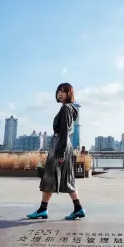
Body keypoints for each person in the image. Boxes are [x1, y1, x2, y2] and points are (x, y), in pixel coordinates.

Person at [26, 83, 85, 220]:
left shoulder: (65, 108)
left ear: (69, 94)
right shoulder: (70, 109)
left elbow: (64, 131)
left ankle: (43, 209)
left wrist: (60, 153)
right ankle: (78, 208)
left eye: (64, 91)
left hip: (60, 145)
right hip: (65, 145)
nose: (60, 93)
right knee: (66, 178)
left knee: (49, 177)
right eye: (59, 91)